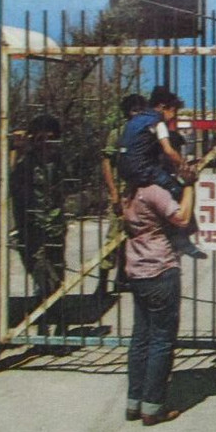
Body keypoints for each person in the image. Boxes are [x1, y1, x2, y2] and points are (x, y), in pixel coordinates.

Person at [122, 160, 197, 427]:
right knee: (162, 340)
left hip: (137, 269)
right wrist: (189, 186)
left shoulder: (129, 191)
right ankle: (152, 407)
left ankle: (134, 401)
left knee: (141, 337)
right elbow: (183, 218)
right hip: (159, 270)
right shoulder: (154, 191)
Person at [119, 86, 203, 260]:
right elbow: (169, 151)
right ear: (163, 107)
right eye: (174, 111)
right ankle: (183, 239)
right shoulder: (157, 122)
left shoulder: (136, 120)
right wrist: (185, 166)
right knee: (178, 190)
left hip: (126, 170)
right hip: (143, 169)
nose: (173, 116)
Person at [8, 113, 67, 306]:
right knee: (39, 271)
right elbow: (8, 180)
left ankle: (57, 318)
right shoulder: (26, 163)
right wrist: (16, 146)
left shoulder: (59, 162)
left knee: (57, 273)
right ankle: (45, 310)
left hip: (54, 227)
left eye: (51, 138)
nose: (47, 143)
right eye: (42, 138)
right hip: (32, 228)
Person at [97, 92, 147, 297]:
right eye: (133, 110)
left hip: (141, 195)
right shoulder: (118, 134)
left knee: (137, 238)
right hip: (122, 193)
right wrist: (113, 192)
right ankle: (101, 283)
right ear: (126, 112)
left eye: (140, 110)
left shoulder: (146, 135)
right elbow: (106, 162)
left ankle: (123, 279)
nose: (136, 114)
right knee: (113, 239)